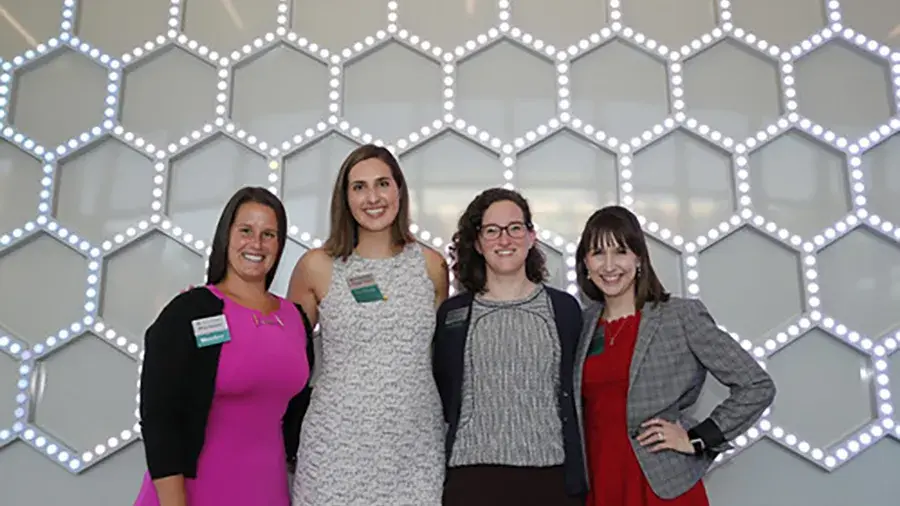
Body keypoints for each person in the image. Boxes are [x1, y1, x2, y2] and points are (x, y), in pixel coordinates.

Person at [574, 205, 776, 506]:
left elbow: (757, 386)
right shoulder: (581, 325)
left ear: (639, 259)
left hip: (661, 487)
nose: (609, 265)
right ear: (585, 264)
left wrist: (697, 438)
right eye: (597, 253)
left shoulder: (679, 316)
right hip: (600, 484)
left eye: (620, 251)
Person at [287, 144, 450, 505]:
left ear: (399, 190)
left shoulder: (432, 266)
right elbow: (287, 356)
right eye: (358, 187)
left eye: (382, 184)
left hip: (414, 452)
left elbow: (439, 356)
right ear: (344, 198)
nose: (372, 197)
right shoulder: (317, 266)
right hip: (334, 451)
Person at [133, 187, 314, 506]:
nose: (256, 244)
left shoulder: (295, 318)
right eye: (246, 230)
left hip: (268, 492)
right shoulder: (190, 310)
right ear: (226, 235)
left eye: (268, 234)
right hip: (194, 492)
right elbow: (160, 417)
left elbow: (299, 415)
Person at [432, 187, 587, 506]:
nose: (505, 240)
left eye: (515, 228)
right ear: (477, 242)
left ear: (531, 236)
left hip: (551, 480)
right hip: (471, 479)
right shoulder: (452, 316)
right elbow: (445, 392)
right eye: (492, 231)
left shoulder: (564, 310)